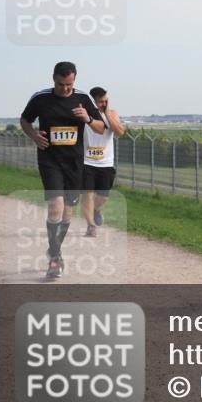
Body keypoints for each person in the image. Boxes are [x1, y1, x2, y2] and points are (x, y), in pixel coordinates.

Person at [19, 61, 104, 279]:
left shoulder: (83, 98)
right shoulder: (41, 97)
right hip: (50, 159)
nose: (65, 88)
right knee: (55, 206)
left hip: (75, 162)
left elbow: (101, 127)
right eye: (60, 84)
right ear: (53, 78)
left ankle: (54, 248)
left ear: (74, 80)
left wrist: (88, 118)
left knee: (67, 213)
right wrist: (34, 136)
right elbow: (25, 120)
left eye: (69, 84)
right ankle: (55, 259)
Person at [81, 86, 126, 238]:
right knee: (87, 194)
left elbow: (119, 133)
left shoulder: (112, 114)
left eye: (106, 101)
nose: (104, 104)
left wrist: (107, 114)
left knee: (103, 197)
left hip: (106, 163)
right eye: (100, 102)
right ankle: (90, 226)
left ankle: (95, 210)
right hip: (87, 161)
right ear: (93, 102)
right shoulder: (86, 115)